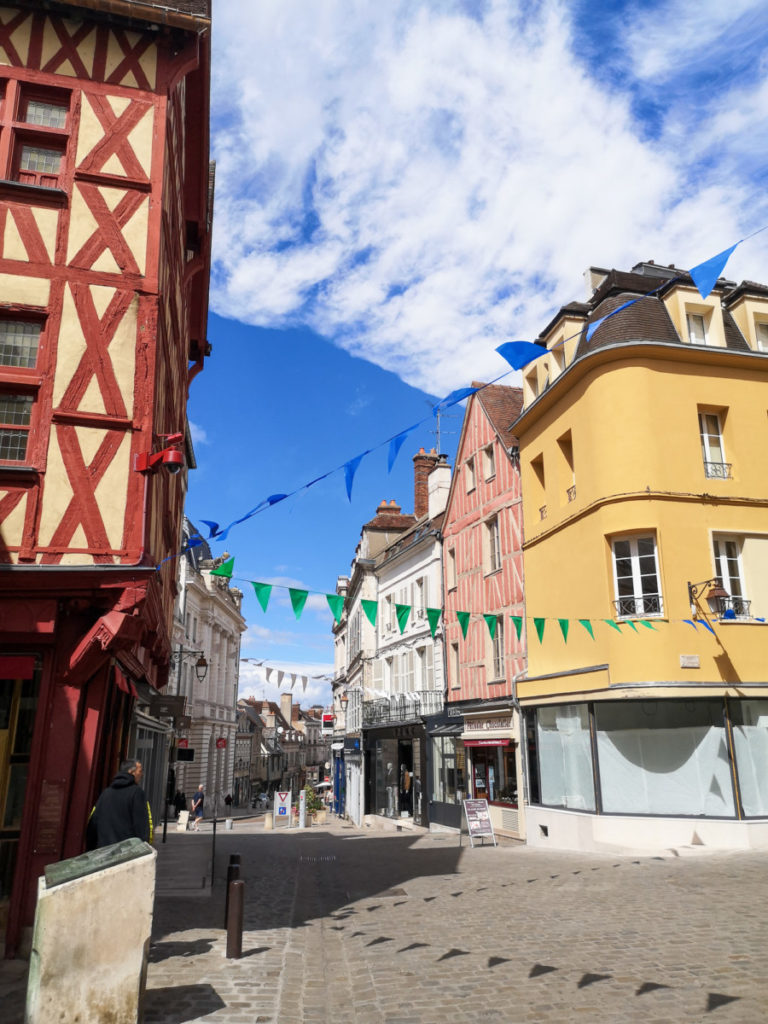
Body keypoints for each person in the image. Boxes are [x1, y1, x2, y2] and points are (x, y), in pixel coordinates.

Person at [87, 759, 151, 849]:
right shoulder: (137, 793)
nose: (142, 774)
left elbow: (93, 822)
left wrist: (90, 849)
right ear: (131, 772)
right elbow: (142, 827)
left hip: (104, 852)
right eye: (140, 771)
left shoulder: (106, 793)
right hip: (125, 854)